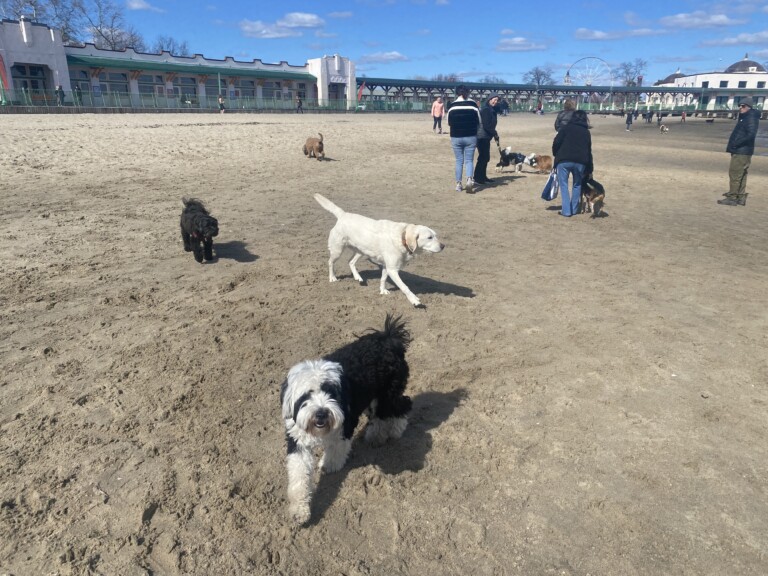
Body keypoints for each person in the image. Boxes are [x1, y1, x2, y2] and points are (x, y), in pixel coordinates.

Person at [719, 97, 760, 206]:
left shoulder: (750, 118)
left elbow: (751, 135)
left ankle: (733, 198)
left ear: (749, 107)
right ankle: (740, 197)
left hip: (742, 151)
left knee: (735, 174)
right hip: (743, 151)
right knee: (741, 174)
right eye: (740, 106)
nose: (740, 108)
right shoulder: (746, 117)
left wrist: (736, 143)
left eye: (743, 106)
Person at [552, 109, 593, 217]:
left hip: (564, 160)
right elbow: (589, 151)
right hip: (580, 162)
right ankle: (574, 209)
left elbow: (556, 142)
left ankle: (566, 211)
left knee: (564, 185)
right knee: (577, 185)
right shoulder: (586, 132)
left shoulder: (565, 128)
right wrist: (590, 169)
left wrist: (556, 154)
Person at [446, 85, 481, 193]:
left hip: (456, 136)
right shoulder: (473, 105)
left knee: (459, 161)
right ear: (468, 93)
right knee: (469, 160)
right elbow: (479, 121)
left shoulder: (452, 106)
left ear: (457, 93)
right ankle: (470, 179)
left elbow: (449, 122)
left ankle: (458, 184)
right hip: (471, 136)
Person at [473, 93, 500, 185]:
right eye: (494, 99)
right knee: (483, 157)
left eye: (497, 100)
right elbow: (486, 125)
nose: (495, 102)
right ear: (489, 99)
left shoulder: (491, 109)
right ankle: (477, 178)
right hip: (481, 136)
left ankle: (483, 177)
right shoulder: (486, 110)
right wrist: (495, 133)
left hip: (486, 136)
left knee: (485, 157)